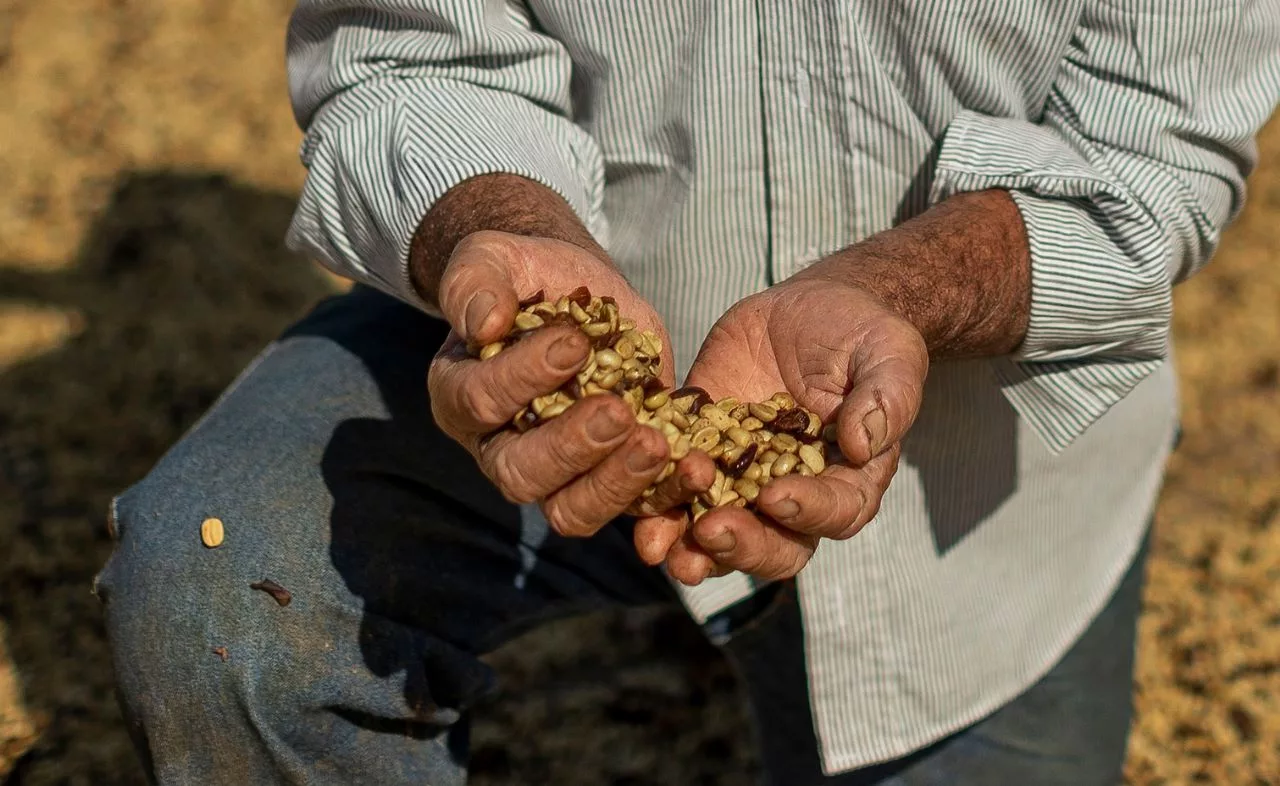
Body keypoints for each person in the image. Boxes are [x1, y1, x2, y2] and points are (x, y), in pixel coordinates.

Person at [95, 1, 1280, 783]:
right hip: (539, 370)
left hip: (967, 493)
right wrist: (500, 232)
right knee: (222, 588)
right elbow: (410, 54)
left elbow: (1146, 158)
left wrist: (903, 292)